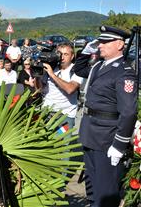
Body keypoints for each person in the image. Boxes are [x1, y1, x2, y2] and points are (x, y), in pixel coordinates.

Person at [74, 26, 137, 207]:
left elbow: (128, 112)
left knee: (106, 194)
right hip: (90, 134)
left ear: (119, 45)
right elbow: (79, 69)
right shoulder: (99, 66)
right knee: (93, 191)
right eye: (100, 41)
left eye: (105, 42)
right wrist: (87, 50)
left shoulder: (124, 72)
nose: (100, 45)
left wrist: (119, 145)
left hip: (106, 139)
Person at [42, 44, 83, 130]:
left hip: (65, 116)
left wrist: (52, 75)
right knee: (45, 142)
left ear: (72, 56)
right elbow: (40, 89)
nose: (62, 57)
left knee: (62, 142)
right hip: (47, 112)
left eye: (66, 54)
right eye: (60, 53)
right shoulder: (51, 67)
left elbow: (70, 89)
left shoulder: (76, 70)